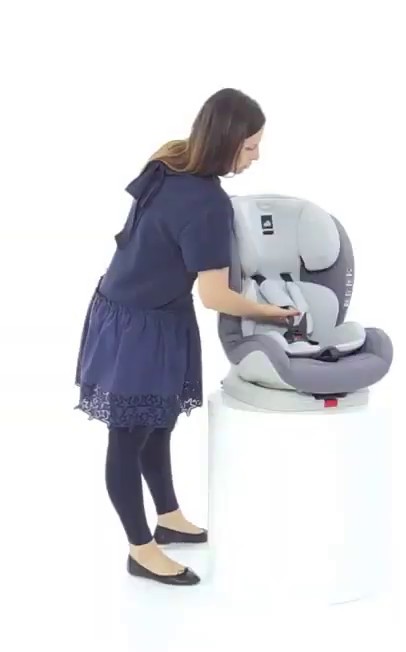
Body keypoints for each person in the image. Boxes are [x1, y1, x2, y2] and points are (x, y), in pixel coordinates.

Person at [74, 88, 301, 586]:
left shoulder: (171, 157)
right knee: (128, 436)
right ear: (226, 142)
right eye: (250, 146)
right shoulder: (208, 203)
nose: (256, 157)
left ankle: (169, 517)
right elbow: (215, 296)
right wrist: (270, 311)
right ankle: (141, 550)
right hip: (140, 324)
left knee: (158, 424)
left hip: (136, 310)